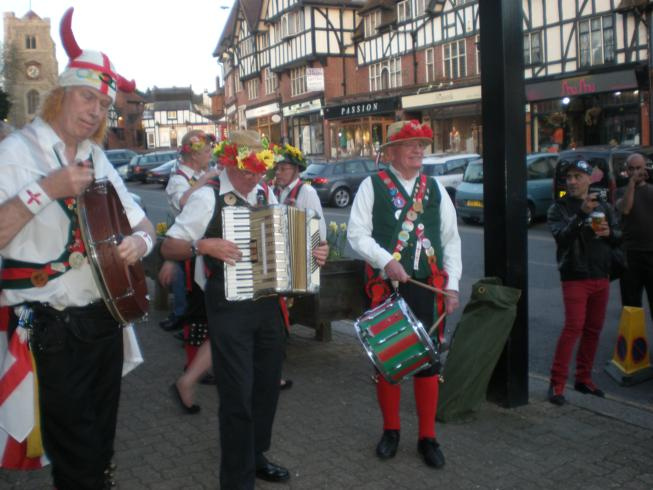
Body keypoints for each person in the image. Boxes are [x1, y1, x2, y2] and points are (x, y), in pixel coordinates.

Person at [0, 7, 154, 489]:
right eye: (87, 97)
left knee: (100, 444)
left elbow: (143, 220)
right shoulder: (17, 153)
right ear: (60, 95)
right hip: (47, 325)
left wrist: (140, 241)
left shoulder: (98, 158)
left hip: (102, 320)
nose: (95, 111)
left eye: (104, 105)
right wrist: (44, 189)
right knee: (77, 454)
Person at [160, 130, 328, 489]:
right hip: (228, 306)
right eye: (245, 172)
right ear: (227, 163)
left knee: (267, 388)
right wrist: (203, 245)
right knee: (237, 394)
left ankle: (256, 456)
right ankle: (236, 480)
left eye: (257, 172)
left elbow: (289, 245)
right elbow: (169, 246)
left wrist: (314, 254)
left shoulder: (266, 193)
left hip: (268, 304)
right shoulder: (207, 198)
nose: (253, 179)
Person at [348, 119, 462, 469]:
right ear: (391, 152)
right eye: (411, 144)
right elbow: (356, 234)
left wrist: (453, 284)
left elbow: (451, 238)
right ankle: (391, 430)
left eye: (422, 145)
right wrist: (386, 261)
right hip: (388, 287)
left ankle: (427, 437)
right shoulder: (372, 186)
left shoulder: (435, 188)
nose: (418, 150)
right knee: (389, 361)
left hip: (428, 287)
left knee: (428, 363)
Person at [547, 160, 621, 406]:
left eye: (578, 176)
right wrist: (581, 214)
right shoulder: (559, 209)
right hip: (575, 276)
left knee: (593, 330)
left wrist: (610, 234)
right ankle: (556, 384)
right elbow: (562, 238)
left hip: (601, 275)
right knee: (573, 328)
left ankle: (583, 378)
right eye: (569, 177)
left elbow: (619, 236)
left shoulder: (605, 206)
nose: (572, 181)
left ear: (590, 179)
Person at [273, 143, 328, 390]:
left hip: (296, 259)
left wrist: (313, 256)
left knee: (280, 309)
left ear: (296, 170)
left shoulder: (307, 192)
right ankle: (275, 364)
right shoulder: (276, 190)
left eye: (284, 168)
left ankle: (276, 364)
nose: (279, 173)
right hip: (278, 258)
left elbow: (318, 226)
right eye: (278, 168)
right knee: (276, 310)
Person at [159, 130, 218, 332]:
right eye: (208, 151)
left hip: (204, 242)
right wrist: (205, 180)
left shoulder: (201, 173)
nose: (211, 154)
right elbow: (184, 202)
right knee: (192, 294)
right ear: (194, 155)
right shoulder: (178, 179)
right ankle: (186, 325)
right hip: (187, 244)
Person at [617, 153, 653, 321]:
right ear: (627, 170)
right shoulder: (621, 192)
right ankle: (633, 345)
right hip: (630, 256)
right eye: (631, 169)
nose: (635, 172)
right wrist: (631, 183)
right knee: (631, 306)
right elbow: (625, 209)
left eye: (639, 168)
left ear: (645, 168)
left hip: (651, 254)